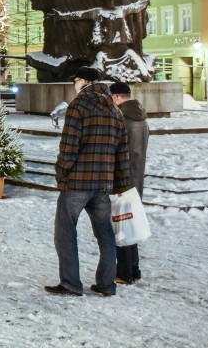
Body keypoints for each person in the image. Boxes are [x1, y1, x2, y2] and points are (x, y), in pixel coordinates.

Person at [45, 66, 131, 297]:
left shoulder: (78, 106)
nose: (74, 85)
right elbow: (122, 153)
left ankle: (71, 283)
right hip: (104, 184)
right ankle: (106, 283)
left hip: (77, 182)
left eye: (75, 80)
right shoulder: (115, 111)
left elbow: (68, 148)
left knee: (65, 231)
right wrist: (122, 184)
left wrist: (62, 174)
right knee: (105, 234)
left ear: (82, 81)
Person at [109, 81, 150, 284]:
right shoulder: (140, 117)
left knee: (122, 226)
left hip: (123, 178)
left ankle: (124, 273)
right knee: (130, 223)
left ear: (116, 97)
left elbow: (117, 151)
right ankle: (134, 269)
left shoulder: (123, 118)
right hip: (137, 177)